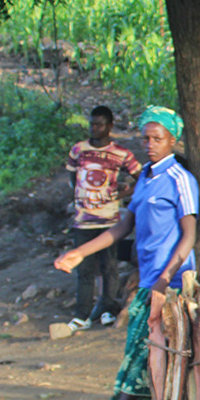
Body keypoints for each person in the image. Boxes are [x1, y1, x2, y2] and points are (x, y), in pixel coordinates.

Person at [54, 106, 197, 400]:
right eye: (146, 138)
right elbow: (122, 227)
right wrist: (80, 253)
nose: (149, 144)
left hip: (171, 283)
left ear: (172, 140)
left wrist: (165, 280)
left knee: (141, 354)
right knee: (147, 356)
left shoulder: (180, 178)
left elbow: (189, 235)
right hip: (151, 279)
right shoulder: (147, 175)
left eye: (157, 139)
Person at [64, 105, 141, 331]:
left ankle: (107, 309)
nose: (94, 128)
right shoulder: (78, 150)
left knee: (109, 266)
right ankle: (82, 315)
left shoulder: (121, 154)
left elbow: (141, 176)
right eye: (92, 124)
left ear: (109, 126)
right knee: (84, 268)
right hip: (83, 220)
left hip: (109, 220)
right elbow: (72, 179)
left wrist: (123, 192)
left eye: (99, 125)